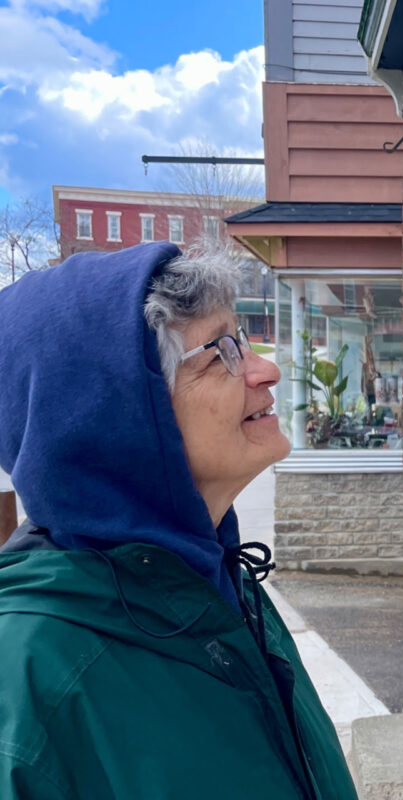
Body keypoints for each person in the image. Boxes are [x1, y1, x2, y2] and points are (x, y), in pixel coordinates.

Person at [0, 242, 358, 799]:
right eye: (222, 354)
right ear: (116, 417)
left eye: (241, 341)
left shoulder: (216, 586)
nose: (266, 369)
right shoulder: (31, 691)